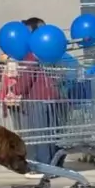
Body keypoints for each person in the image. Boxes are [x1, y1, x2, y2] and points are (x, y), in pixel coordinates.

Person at [12, 17, 64, 177]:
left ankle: (44, 167)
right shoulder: (50, 52)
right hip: (52, 98)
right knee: (50, 134)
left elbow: (27, 77)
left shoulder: (31, 54)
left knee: (39, 135)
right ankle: (55, 165)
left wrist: (15, 90)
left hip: (37, 99)